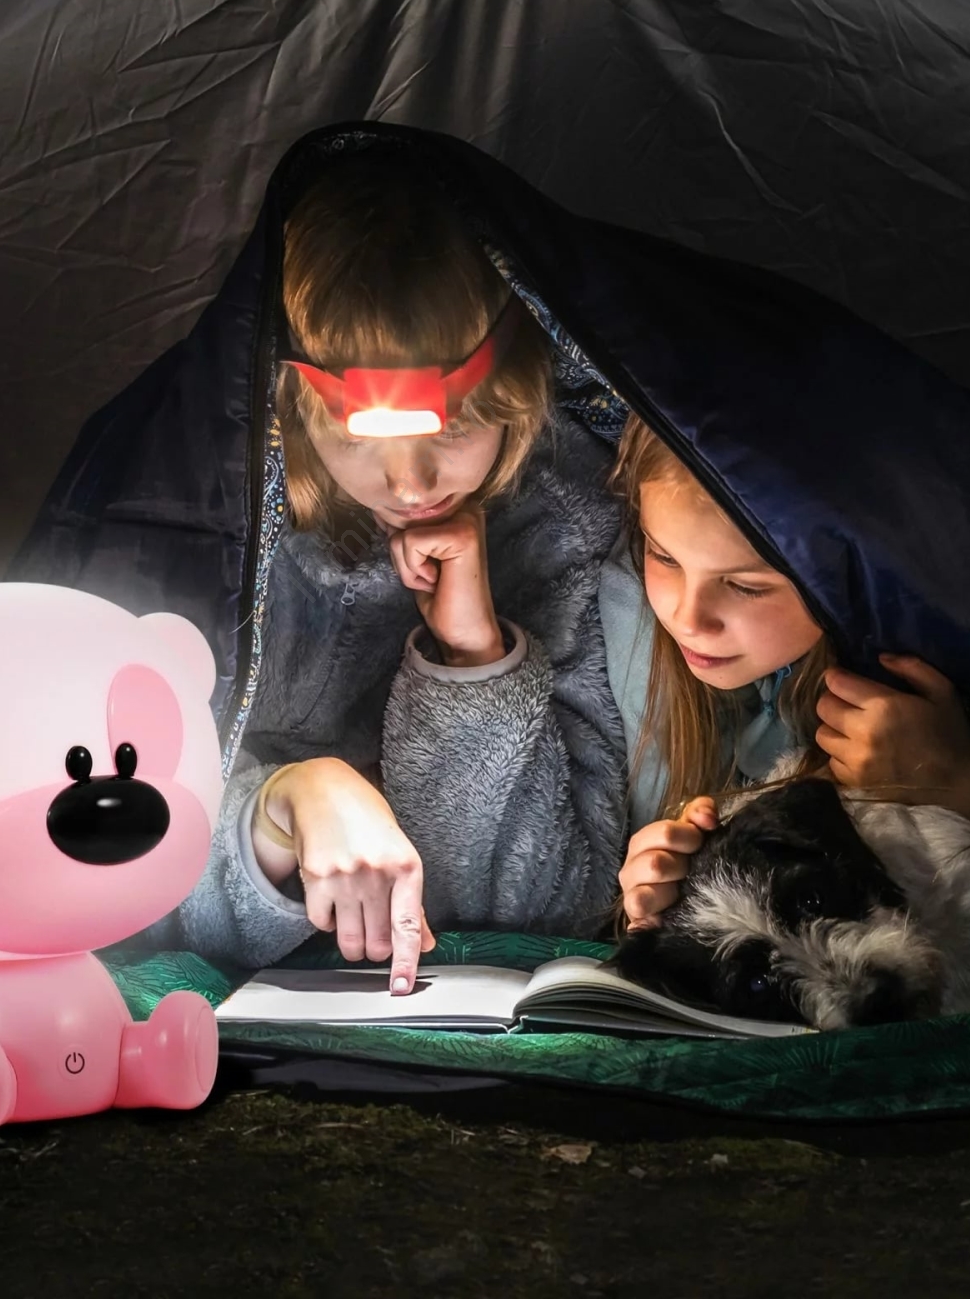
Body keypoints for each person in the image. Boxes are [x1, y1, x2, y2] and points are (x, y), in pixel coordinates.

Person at [143, 147, 631, 990]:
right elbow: (102, 864)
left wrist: (474, 661)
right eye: (358, 439)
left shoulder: (568, 527)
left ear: (520, 387)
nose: (411, 485)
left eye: (454, 429)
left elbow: (551, 910)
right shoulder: (202, 519)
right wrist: (282, 809)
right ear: (295, 407)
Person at [603, 411, 970, 1000]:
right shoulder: (650, 651)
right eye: (664, 556)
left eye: (747, 584)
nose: (688, 616)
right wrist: (661, 900)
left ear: (855, 566)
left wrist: (967, 786)